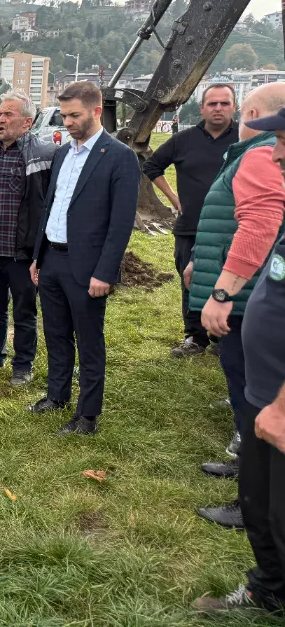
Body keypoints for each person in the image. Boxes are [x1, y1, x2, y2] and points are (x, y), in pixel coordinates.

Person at [192, 101, 285, 616]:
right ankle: (267, 587)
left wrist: (281, 404)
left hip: (277, 396)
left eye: (284, 140)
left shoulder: (257, 164)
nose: (276, 152)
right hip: (263, 383)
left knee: (276, 498)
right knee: (260, 488)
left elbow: (256, 225)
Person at [29, 82, 141, 435]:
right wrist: (38, 256)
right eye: (63, 116)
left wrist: (105, 272)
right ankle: (56, 396)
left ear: (96, 111)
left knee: (89, 340)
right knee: (56, 333)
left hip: (88, 267)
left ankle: (87, 415)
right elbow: (51, 206)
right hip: (52, 259)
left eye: (74, 115)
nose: (67, 122)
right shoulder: (63, 153)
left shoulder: (120, 157)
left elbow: (120, 223)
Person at [0, 91, 55, 386]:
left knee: (24, 310)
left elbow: (47, 201)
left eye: (8, 114)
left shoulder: (45, 154)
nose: (0, 119)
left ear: (27, 122)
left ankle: (23, 364)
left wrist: (41, 247)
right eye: (0, 113)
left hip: (21, 250)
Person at [143, 84, 239, 358]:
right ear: (202, 108)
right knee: (191, 280)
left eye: (224, 103)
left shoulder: (244, 139)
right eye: (212, 104)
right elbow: (151, 166)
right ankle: (195, 337)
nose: (218, 108)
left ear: (234, 107)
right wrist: (173, 197)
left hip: (231, 228)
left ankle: (224, 337)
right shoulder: (183, 140)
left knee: (230, 281)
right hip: (190, 226)